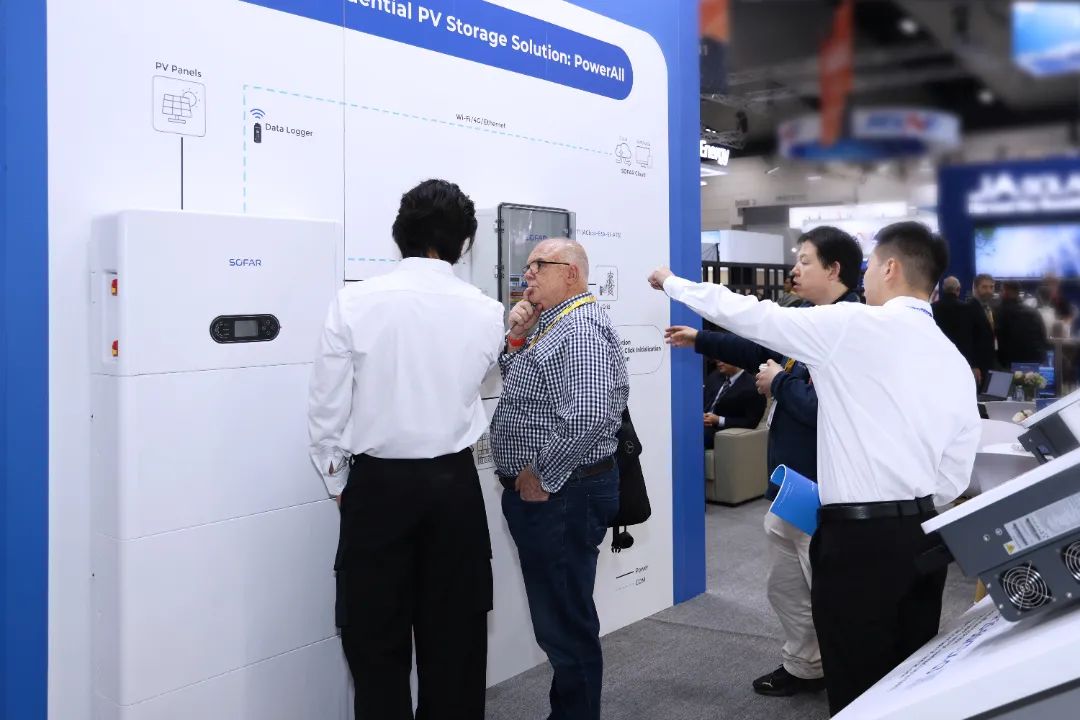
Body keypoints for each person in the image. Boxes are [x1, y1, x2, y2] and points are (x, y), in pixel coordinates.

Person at [649, 221, 980, 715]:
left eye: (871, 267)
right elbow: (959, 459)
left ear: (890, 268)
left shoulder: (854, 325)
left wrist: (673, 283)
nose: (866, 278)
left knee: (856, 677)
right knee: (909, 675)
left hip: (859, 540)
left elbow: (755, 316)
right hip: (925, 532)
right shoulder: (950, 355)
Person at [308, 179, 504, 720]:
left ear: (400, 235)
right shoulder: (487, 311)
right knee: (457, 647)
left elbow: (326, 409)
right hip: (455, 491)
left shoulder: (354, 302)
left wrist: (338, 481)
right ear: (464, 242)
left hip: (377, 488)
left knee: (374, 646)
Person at [666, 225, 862, 697]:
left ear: (834, 269)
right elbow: (758, 347)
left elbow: (829, 412)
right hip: (792, 488)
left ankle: (852, 681)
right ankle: (805, 666)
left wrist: (779, 384)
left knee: (832, 593)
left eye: (806, 261)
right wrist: (700, 339)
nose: (795, 270)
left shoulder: (852, 330)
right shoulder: (807, 317)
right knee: (787, 587)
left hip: (827, 492)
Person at [491, 237, 629, 720]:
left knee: (565, 623)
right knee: (560, 616)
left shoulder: (580, 328)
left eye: (538, 266)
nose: (526, 274)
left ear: (571, 273)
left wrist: (542, 476)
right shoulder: (553, 322)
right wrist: (516, 337)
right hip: (556, 494)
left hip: (563, 495)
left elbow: (589, 413)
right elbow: (521, 383)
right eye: (526, 267)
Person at [702, 358, 765, 448]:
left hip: (720, 429)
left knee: (697, 434)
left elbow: (751, 422)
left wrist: (718, 420)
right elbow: (703, 401)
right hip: (701, 421)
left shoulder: (753, 386)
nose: (718, 360)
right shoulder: (714, 376)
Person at [932, 275, 981, 387]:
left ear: (943, 289)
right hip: (963, 360)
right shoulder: (968, 309)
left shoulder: (932, 308)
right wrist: (975, 364)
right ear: (958, 289)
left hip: (939, 360)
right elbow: (975, 338)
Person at [997, 281, 1049, 367]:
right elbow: (1043, 336)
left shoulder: (1000, 312)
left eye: (1001, 290)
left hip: (1010, 362)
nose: (1000, 293)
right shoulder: (1033, 312)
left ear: (1005, 292)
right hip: (1034, 360)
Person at [968, 273, 997, 389]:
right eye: (984, 287)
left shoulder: (990, 308)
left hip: (990, 361)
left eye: (991, 287)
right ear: (975, 288)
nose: (988, 291)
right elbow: (968, 339)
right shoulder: (969, 308)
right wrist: (973, 365)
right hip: (978, 365)